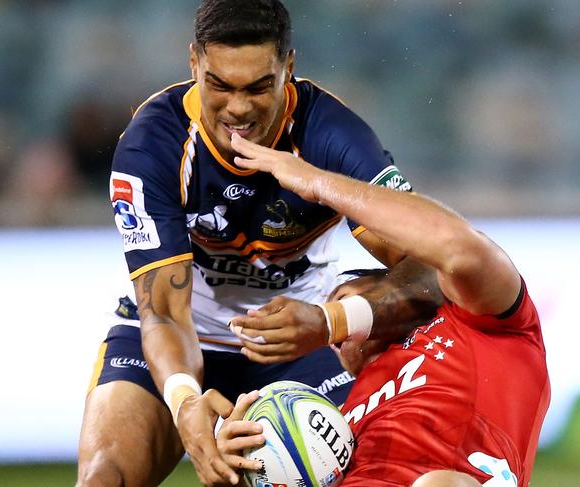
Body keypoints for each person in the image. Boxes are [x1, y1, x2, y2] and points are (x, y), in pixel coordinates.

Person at [76, 1, 443, 486]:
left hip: (300, 342)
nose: (238, 108)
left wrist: (330, 321)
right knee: (104, 479)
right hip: (181, 338)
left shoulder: (333, 136)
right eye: (220, 85)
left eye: (258, 87)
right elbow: (163, 312)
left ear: (288, 68)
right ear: (194, 64)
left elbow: (431, 268)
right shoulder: (153, 143)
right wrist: (185, 404)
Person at [222, 133, 550, 486]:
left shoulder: (478, 321)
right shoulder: (339, 423)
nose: (333, 340)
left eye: (342, 296)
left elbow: (458, 247)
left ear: (387, 282)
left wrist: (316, 182)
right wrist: (238, 469)